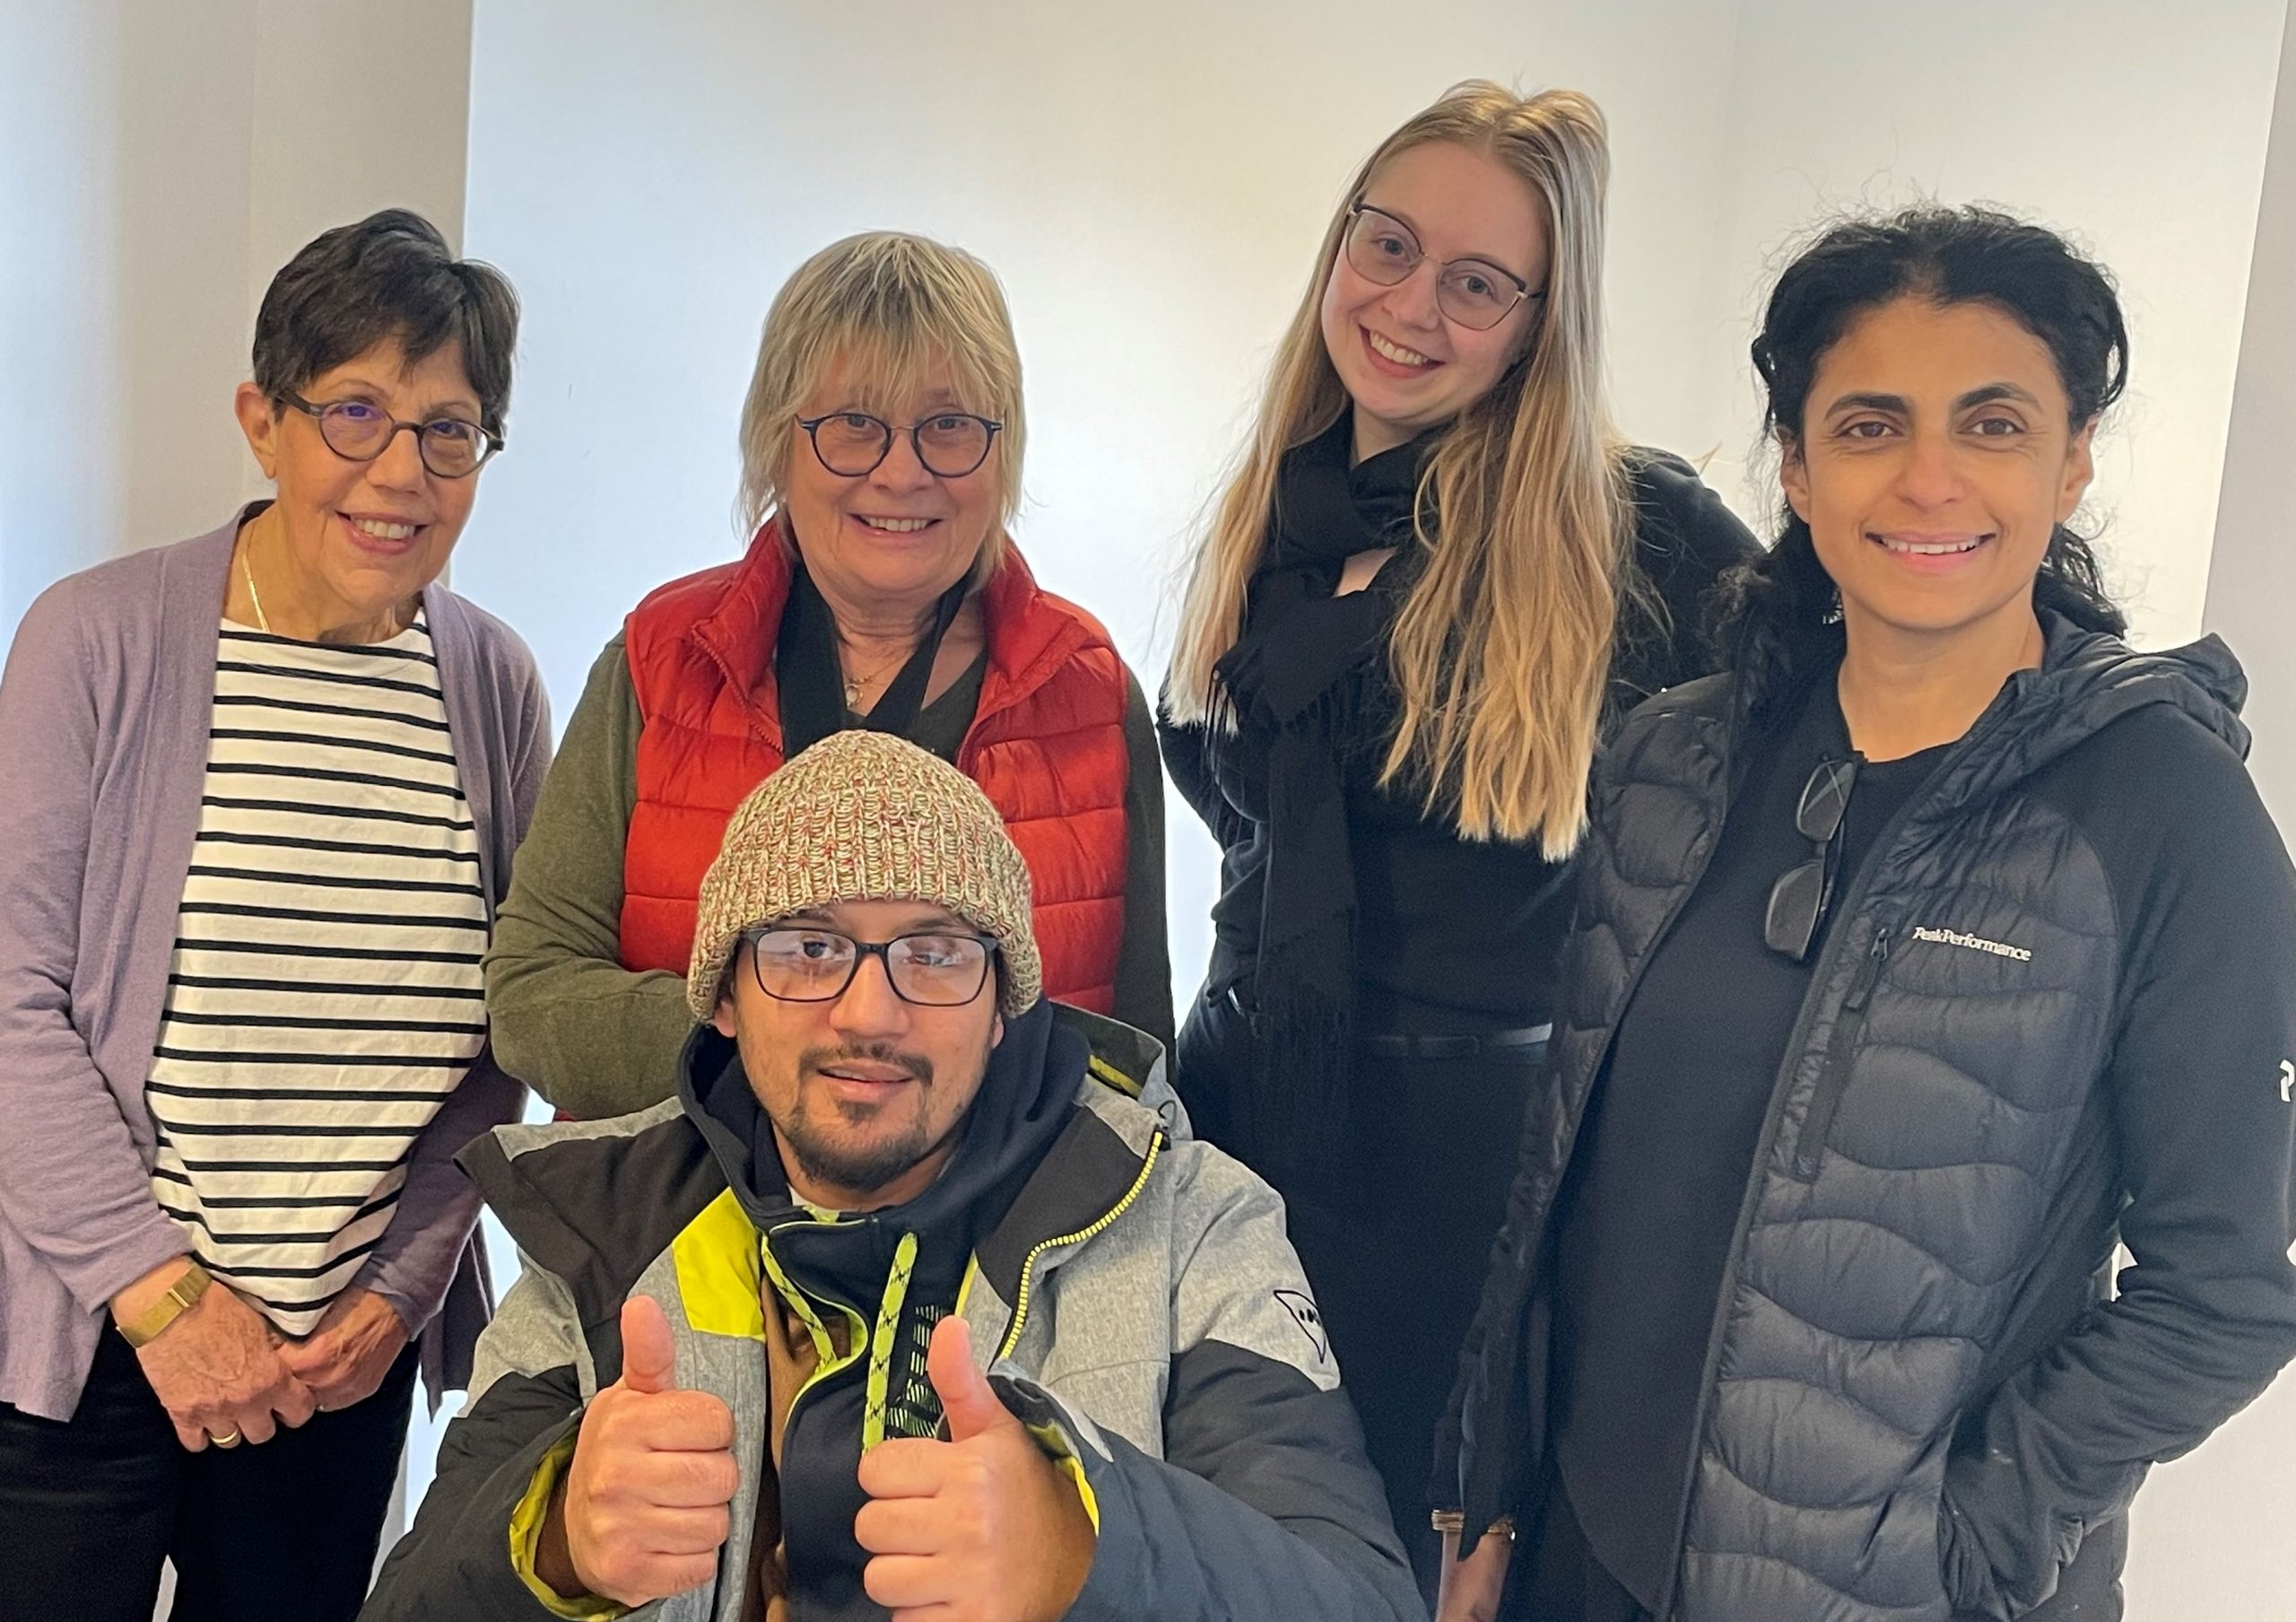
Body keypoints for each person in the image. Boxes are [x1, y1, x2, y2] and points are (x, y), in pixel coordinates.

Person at [1436, 205, 2296, 1622]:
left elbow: (2225, 1294)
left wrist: (1964, 1546)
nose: (1930, 480)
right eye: (1871, 424)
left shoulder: (2165, 815)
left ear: (2073, 459)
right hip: (1586, 1558)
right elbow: (1560, 1171)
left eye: (1996, 424)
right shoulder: (1671, 758)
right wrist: (1493, 1467)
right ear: (1795, 462)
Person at [364, 730, 1421, 1622]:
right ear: (722, 996)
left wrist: (1089, 1548)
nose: (868, 1012)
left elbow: (1358, 1593)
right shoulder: (596, 1235)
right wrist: (548, 1542)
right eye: (808, 946)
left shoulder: (1193, 1220)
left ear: (1005, 1001)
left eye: (935, 951)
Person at [1157, 80, 1758, 1581]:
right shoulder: (1278, 520)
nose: (1413, 305)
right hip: (1237, 1138)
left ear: (1544, 320)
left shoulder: (1634, 533)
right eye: (1389, 245)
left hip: (1470, 1198)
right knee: (1230, 1563)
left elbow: (1867, 691)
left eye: (1478, 283)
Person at [0, 209, 550, 1621]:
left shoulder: (493, 687)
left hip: (335, 1365)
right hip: (96, 1342)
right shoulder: (98, 637)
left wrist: (406, 1293)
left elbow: (506, 1035)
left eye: (450, 430)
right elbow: (13, 1001)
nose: (399, 473)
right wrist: (163, 1298)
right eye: (353, 412)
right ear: (264, 419)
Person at [486, 231, 1170, 1121]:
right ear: (776, 445)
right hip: (673, 1240)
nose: (901, 470)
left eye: (950, 425)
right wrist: (780, 1048)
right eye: (853, 424)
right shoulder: (659, 660)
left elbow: (1140, 1058)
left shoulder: (1087, 689)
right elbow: (533, 995)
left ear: (1003, 450)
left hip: (1000, 1254)